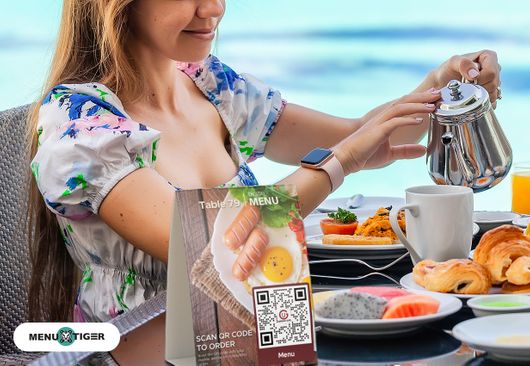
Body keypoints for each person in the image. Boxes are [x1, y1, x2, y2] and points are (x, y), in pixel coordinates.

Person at [26, 0, 500, 363]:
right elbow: (214, 245)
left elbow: (361, 137)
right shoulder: (79, 124)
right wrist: (340, 163)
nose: (213, 9)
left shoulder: (210, 85)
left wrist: (442, 84)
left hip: (263, 338)